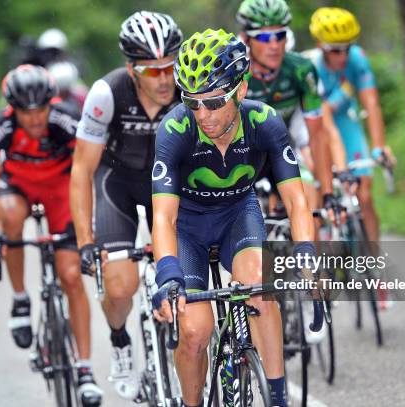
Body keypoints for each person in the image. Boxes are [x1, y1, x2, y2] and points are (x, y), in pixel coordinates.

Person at [151, 28, 317, 407]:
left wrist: (307, 248)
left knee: (261, 285)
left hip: (237, 216)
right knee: (194, 331)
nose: (202, 114)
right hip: (188, 229)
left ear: (240, 91)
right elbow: (163, 218)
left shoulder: (265, 122)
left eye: (213, 102)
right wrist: (167, 274)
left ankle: (277, 396)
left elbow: (295, 200)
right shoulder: (174, 130)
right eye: (192, 102)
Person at [69, 11, 183, 400]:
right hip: (115, 184)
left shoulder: (189, 89)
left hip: (166, 186)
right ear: (131, 69)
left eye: (170, 66)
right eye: (153, 72)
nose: (165, 79)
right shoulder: (107, 93)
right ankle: (120, 340)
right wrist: (85, 240)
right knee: (120, 287)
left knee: (188, 279)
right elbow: (82, 171)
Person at [0, 65, 102, 406]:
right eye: (25, 112)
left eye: (41, 110)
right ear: (12, 109)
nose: (34, 119)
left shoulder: (67, 122)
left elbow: (86, 174)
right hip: (18, 187)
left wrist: (87, 228)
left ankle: (86, 369)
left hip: (61, 189)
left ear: (52, 103)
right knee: (10, 219)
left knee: (71, 276)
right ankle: (20, 298)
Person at [236, 0, 336, 217]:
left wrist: (328, 193)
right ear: (246, 39)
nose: (274, 45)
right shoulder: (234, 72)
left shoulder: (301, 70)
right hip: (239, 158)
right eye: (264, 37)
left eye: (280, 35)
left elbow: (317, 136)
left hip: (282, 153)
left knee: (310, 212)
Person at [308, 7, 397, 244]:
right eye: (335, 50)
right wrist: (338, 163)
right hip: (320, 130)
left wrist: (379, 147)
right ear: (320, 45)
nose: (343, 56)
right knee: (318, 198)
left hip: (348, 124)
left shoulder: (357, 59)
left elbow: (372, 103)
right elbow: (323, 121)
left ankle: (374, 268)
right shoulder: (311, 69)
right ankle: (319, 273)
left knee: (364, 197)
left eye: (347, 48)